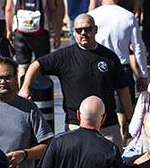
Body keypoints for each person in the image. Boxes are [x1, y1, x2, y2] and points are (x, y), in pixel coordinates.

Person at [21, 15, 134, 144]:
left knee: (113, 163)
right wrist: (25, 87)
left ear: (95, 30)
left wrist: (130, 118)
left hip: (107, 128)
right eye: (79, 30)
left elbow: (123, 89)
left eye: (87, 29)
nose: (83, 33)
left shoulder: (109, 57)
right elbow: (36, 65)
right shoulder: (64, 56)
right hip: (75, 126)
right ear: (73, 33)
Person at [90, 0, 150, 90]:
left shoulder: (91, 16)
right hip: (122, 67)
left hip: (98, 67)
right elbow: (138, 47)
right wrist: (143, 75)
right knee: (126, 104)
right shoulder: (129, 16)